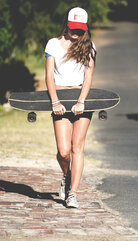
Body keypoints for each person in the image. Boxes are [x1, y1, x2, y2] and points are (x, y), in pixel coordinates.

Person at [44, 7, 96, 208]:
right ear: (66, 24)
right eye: (73, 29)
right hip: (60, 99)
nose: (76, 34)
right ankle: (66, 175)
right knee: (64, 151)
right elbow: (49, 75)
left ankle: (73, 193)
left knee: (77, 148)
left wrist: (82, 100)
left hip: (81, 99)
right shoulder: (53, 44)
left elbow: (88, 77)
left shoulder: (89, 46)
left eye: (80, 30)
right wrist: (55, 101)